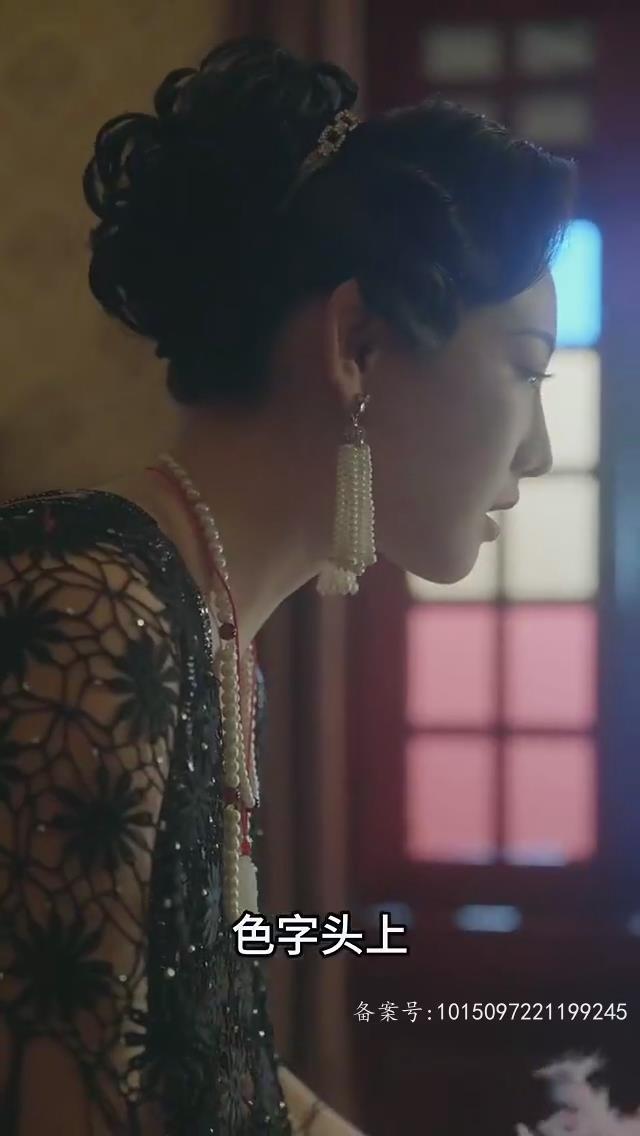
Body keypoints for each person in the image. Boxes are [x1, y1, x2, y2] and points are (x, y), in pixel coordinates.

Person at [0, 33, 575, 1136]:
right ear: (357, 343)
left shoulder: (208, 637)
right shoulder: (92, 610)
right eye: (524, 367)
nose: (540, 449)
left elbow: (215, 1057)